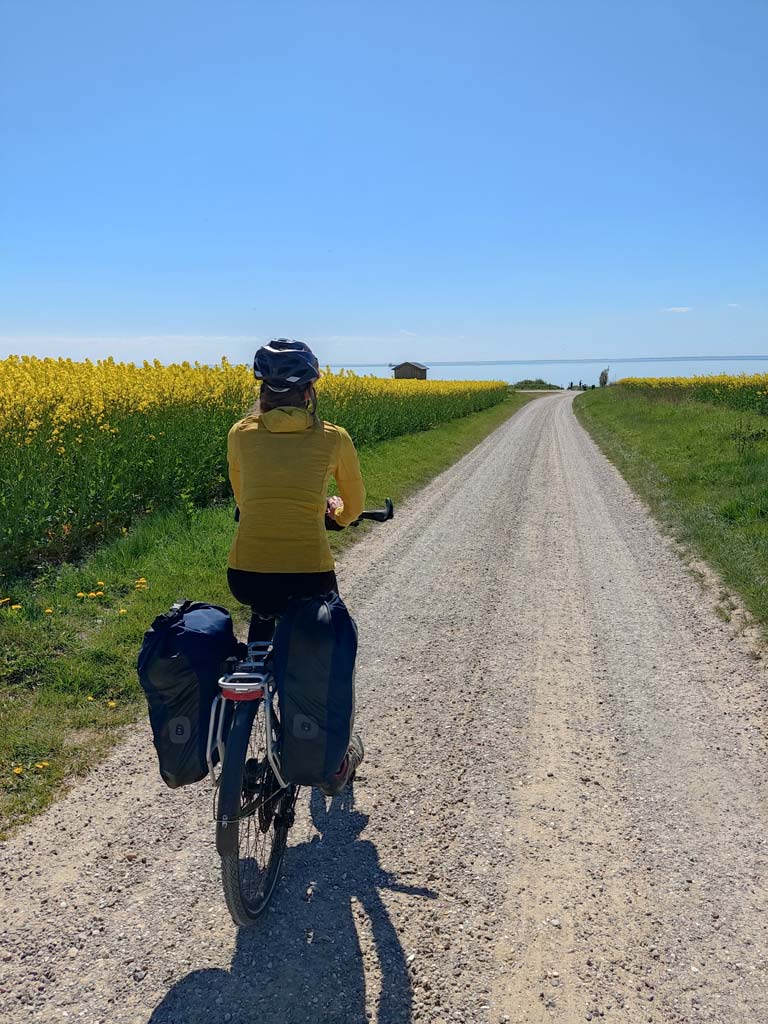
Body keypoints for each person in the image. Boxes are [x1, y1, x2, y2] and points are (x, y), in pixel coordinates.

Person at [226, 338, 365, 794]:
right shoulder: (333, 437)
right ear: (310, 392)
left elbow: (245, 499)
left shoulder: (240, 434)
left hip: (247, 575)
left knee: (260, 636)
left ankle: (247, 717)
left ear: (263, 391)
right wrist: (336, 514)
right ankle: (328, 757)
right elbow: (354, 506)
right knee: (325, 651)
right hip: (309, 573)